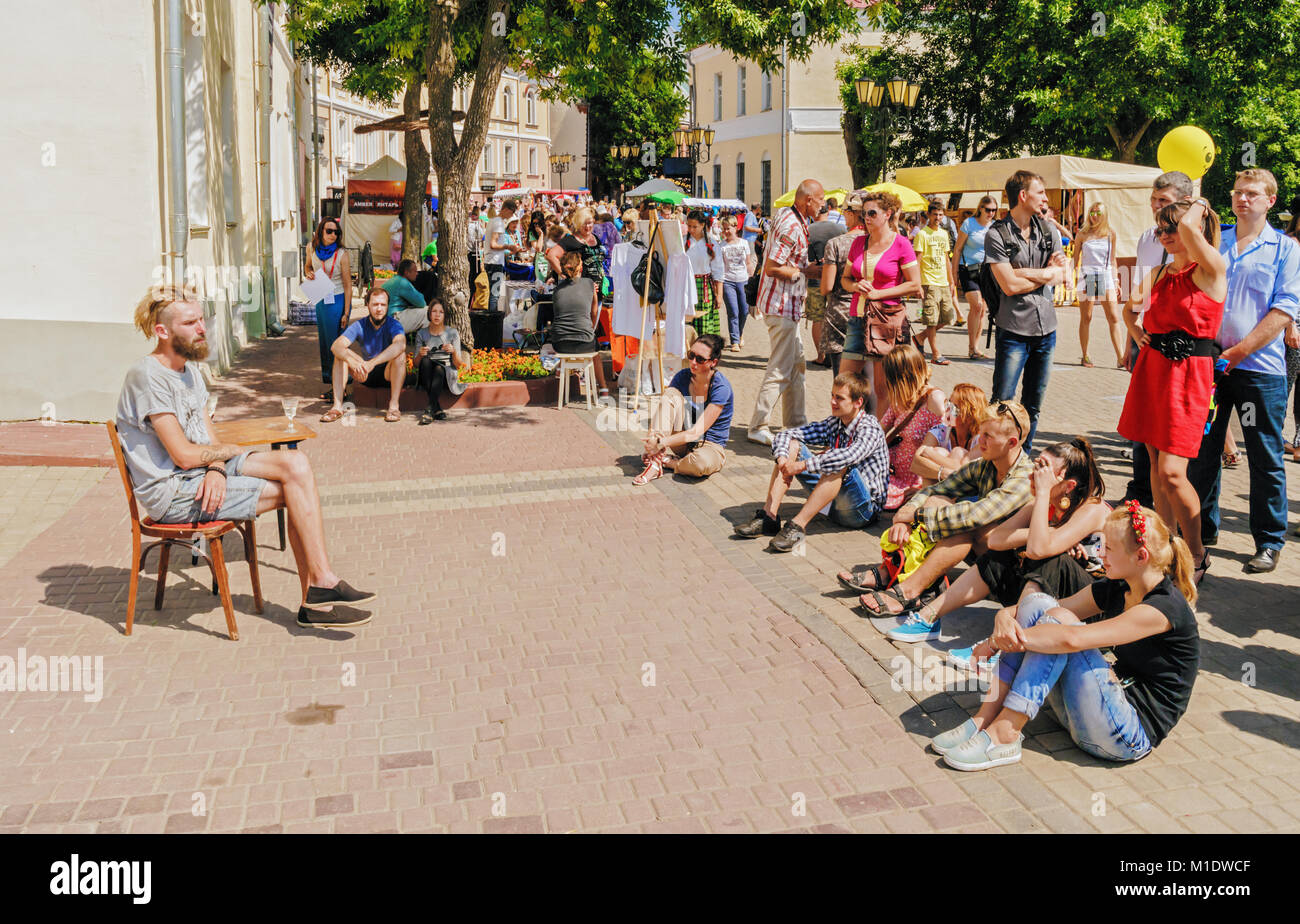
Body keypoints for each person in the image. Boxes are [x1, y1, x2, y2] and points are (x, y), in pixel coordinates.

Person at [116, 285, 375, 628]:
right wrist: (217, 458)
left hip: (200, 471)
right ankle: (317, 597)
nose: (202, 328)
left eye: (201, 320)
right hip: (174, 492)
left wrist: (217, 467)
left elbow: (209, 438)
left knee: (295, 464)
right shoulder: (147, 377)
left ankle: (322, 582)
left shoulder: (189, 370)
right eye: (190, 322)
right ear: (163, 332)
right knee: (292, 494)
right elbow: (181, 455)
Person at [931, 503, 1199, 771]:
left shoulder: (1164, 608)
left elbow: (1071, 639)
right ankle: (984, 718)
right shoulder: (1121, 585)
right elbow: (1050, 607)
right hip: (1092, 713)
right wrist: (1004, 618)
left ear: (1140, 556)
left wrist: (996, 642)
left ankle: (1005, 735)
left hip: (1125, 736)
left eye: (1109, 549)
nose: (1100, 554)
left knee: (1062, 627)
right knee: (1037, 602)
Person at [885, 437, 1110, 644]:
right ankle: (928, 617)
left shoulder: (1092, 509)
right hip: (1047, 597)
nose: (1033, 475)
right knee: (1003, 552)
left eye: (1043, 470)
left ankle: (1005, 644)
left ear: (1068, 485)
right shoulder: (1042, 504)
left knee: (1051, 558)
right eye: (1036, 465)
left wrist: (1042, 498)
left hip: (1090, 610)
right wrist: (1050, 532)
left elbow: (1039, 549)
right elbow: (997, 539)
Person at [1187, 168, 1300, 573]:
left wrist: (1239, 350)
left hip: (1258, 370)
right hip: (1212, 366)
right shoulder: (1221, 238)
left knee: (1264, 456)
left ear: (1270, 200)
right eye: (1237, 192)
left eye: (1252, 193)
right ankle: (1202, 530)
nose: (1242, 199)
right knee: (1203, 451)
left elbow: (1285, 309)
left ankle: (1269, 540)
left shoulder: (1285, 249)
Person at [1120, 198, 1225, 583]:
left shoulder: (1212, 268)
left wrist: (1197, 202)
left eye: (1171, 229)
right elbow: (1129, 310)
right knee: (1154, 469)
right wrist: (1136, 334)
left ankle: (1196, 555)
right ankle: (1165, 548)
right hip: (1153, 373)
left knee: (1173, 472)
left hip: (1189, 378)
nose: (1164, 235)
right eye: (1160, 229)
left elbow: (1194, 231)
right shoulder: (1160, 272)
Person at [848, 401, 1034, 617]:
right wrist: (904, 517)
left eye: (988, 436)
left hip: (1017, 572)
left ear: (1012, 442)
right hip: (989, 554)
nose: (980, 442)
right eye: (981, 433)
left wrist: (918, 516)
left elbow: (976, 515)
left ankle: (911, 590)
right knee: (939, 499)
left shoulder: (1024, 478)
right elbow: (937, 489)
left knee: (966, 523)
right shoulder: (986, 465)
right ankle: (894, 570)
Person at [736, 372, 889, 551]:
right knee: (792, 445)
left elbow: (848, 456)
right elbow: (787, 434)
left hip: (862, 511)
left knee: (837, 461)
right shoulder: (835, 423)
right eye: (832, 396)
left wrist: (803, 465)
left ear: (858, 402)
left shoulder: (870, 428)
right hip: (832, 504)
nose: (832, 402)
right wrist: (783, 459)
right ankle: (769, 517)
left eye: (839, 398)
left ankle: (797, 526)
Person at [1123, 171, 1195, 508]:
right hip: (1148, 347)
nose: (1155, 208)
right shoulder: (1147, 238)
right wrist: (1132, 339)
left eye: (1163, 201)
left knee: (1177, 447)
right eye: (1153, 200)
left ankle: (1190, 519)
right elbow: (1136, 298)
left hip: (1185, 357)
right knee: (1143, 437)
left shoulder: (1201, 245)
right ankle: (1142, 497)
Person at [987, 170, 1069, 449]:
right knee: (1003, 403)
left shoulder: (1048, 230)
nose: (1046, 198)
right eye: (1041, 192)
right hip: (1013, 331)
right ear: (1023, 196)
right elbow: (1008, 285)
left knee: (1033, 405)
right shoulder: (997, 234)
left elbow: (1062, 275)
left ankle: (1022, 460)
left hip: (1047, 330)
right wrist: (1046, 274)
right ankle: (996, 461)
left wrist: (1028, 274)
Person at [747, 179, 824, 446]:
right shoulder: (792, 223)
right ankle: (758, 425)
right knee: (780, 367)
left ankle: (796, 422)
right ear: (808, 200)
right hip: (781, 306)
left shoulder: (790, 215)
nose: (824, 204)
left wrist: (803, 267)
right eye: (821, 199)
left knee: (797, 364)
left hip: (786, 306)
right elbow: (772, 267)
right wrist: (806, 271)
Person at [839, 190, 922, 416]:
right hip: (857, 319)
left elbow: (915, 284)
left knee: (881, 389)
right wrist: (855, 286)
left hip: (885, 322)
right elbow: (845, 279)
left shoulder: (901, 244)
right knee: (843, 384)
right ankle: (843, 434)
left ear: (888, 214)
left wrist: (879, 294)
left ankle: (879, 439)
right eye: (863, 213)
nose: (866, 217)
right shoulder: (858, 243)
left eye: (872, 213)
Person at [635, 334, 734, 484]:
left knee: (700, 464)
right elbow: (666, 410)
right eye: (691, 355)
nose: (693, 362)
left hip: (709, 445)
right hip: (682, 439)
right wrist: (657, 439)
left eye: (700, 359)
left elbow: (696, 432)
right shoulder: (683, 376)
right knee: (670, 394)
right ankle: (655, 464)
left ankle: (668, 462)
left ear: (713, 362)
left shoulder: (721, 388)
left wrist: (662, 442)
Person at [321, 287, 407, 424]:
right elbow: (336, 346)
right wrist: (353, 362)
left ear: (387, 306)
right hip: (365, 372)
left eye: (383, 305)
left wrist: (372, 363)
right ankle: (337, 407)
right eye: (375, 304)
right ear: (368, 305)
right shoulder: (360, 325)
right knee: (340, 354)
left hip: (388, 373)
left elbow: (400, 345)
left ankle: (394, 406)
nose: (379, 309)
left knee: (400, 355)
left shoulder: (394, 324)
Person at [878, 343, 947, 510]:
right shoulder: (900, 396)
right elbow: (879, 431)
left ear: (902, 377)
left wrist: (923, 489)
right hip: (892, 473)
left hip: (916, 480)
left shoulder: (934, 398)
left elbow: (947, 446)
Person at [549, 252, 612, 403]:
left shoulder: (557, 289)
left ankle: (561, 367)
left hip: (560, 344)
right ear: (580, 267)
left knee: (574, 336)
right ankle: (603, 389)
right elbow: (594, 311)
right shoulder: (589, 284)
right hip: (584, 342)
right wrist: (588, 327)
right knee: (594, 349)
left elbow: (558, 314)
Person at [1073, 201, 1126, 367]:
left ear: (1104, 215)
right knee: (1086, 317)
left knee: (1114, 317)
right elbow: (1075, 259)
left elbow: (1113, 259)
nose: (1094, 215)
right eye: (1092, 212)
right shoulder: (1082, 234)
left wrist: (1116, 280)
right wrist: (1073, 277)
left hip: (1105, 275)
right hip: (1088, 275)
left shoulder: (1111, 234)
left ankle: (1120, 358)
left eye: (1098, 212)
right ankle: (1085, 355)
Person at [819, 198, 866, 376]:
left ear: (851, 213)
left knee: (843, 379)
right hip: (868, 311)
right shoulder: (877, 242)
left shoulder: (837, 243)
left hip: (839, 313)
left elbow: (826, 287)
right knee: (868, 380)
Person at [306, 218, 352, 394]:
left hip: (338, 300)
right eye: (329, 231)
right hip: (321, 298)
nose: (333, 235)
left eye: (336, 232)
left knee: (337, 345)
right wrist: (309, 274)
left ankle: (342, 387)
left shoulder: (342, 254)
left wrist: (346, 313)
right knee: (325, 344)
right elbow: (308, 266)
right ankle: (334, 385)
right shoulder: (311, 248)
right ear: (321, 231)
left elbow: (348, 285)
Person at [911, 382, 987, 486]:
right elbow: (915, 464)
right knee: (940, 452)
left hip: (971, 491)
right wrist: (942, 472)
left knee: (957, 452)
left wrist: (930, 453)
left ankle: (928, 498)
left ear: (969, 415)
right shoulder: (940, 431)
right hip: (945, 484)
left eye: (953, 408)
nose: (947, 410)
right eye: (948, 404)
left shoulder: (981, 439)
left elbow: (962, 471)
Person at [912, 202, 959, 365]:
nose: (938, 218)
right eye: (935, 214)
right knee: (931, 319)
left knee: (948, 317)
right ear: (929, 215)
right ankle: (936, 354)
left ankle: (920, 338)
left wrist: (952, 281)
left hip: (943, 281)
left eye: (940, 215)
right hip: (928, 281)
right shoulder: (922, 234)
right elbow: (917, 260)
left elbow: (946, 258)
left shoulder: (944, 234)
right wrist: (917, 283)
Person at [414, 297, 470, 426]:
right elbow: (416, 364)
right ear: (429, 313)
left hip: (445, 375)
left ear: (445, 315)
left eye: (441, 312)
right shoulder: (422, 334)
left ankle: (429, 410)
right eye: (434, 311)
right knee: (427, 362)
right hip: (426, 374)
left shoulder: (452, 333)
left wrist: (453, 352)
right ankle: (436, 408)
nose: (437, 315)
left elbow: (458, 364)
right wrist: (421, 355)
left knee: (440, 369)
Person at [953, 195, 996, 360]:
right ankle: (971, 347)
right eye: (988, 210)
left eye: (993, 210)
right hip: (968, 269)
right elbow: (957, 249)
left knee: (982, 310)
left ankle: (975, 347)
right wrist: (954, 273)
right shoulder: (969, 223)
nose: (991, 213)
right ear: (981, 208)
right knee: (977, 306)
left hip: (985, 271)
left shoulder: (993, 227)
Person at [807, 204, 845, 365]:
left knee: (817, 318)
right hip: (836, 278)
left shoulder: (808, 230)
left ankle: (821, 356)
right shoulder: (841, 229)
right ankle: (838, 353)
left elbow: (806, 258)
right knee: (836, 316)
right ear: (828, 211)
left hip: (815, 279)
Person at [685, 209, 726, 339]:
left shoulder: (712, 243)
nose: (691, 229)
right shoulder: (682, 242)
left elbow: (718, 271)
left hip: (704, 287)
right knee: (687, 319)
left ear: (702, 225)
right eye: (689, 226)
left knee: (704, 320)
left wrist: (719, 295)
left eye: (694, 226)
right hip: (686, 285)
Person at [718, 215, 757, 352]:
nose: (726, 232)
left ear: (736, 227)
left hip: (743, 280)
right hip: (728, 280)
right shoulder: (721, 246)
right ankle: (734, 340)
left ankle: (739, 333)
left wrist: (751, 278)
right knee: (733, 311)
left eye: (728, 228)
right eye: (724, 229)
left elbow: (748, 263)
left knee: (744, 311)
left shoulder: (744, 243)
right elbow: (721, 267)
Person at [484, 199, 523, 312]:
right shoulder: (499, 222)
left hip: (491, 261)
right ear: (506, 209)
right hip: (495, 262)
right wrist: (508, 247)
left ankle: (492, 320)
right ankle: (493, 323)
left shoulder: (493, 220)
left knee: (493, 294)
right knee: (495, 295)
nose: (511, 216)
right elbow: (493, 244)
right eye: (511, 213)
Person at [382, 259, 429, 334]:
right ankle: (425, 341)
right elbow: (421, 303)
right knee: (429, 311)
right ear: (407, 272)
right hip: (393, 321)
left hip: (385, 321)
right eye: (415, 271)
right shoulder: (403, 282)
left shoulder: (394, 280)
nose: (417, 274)